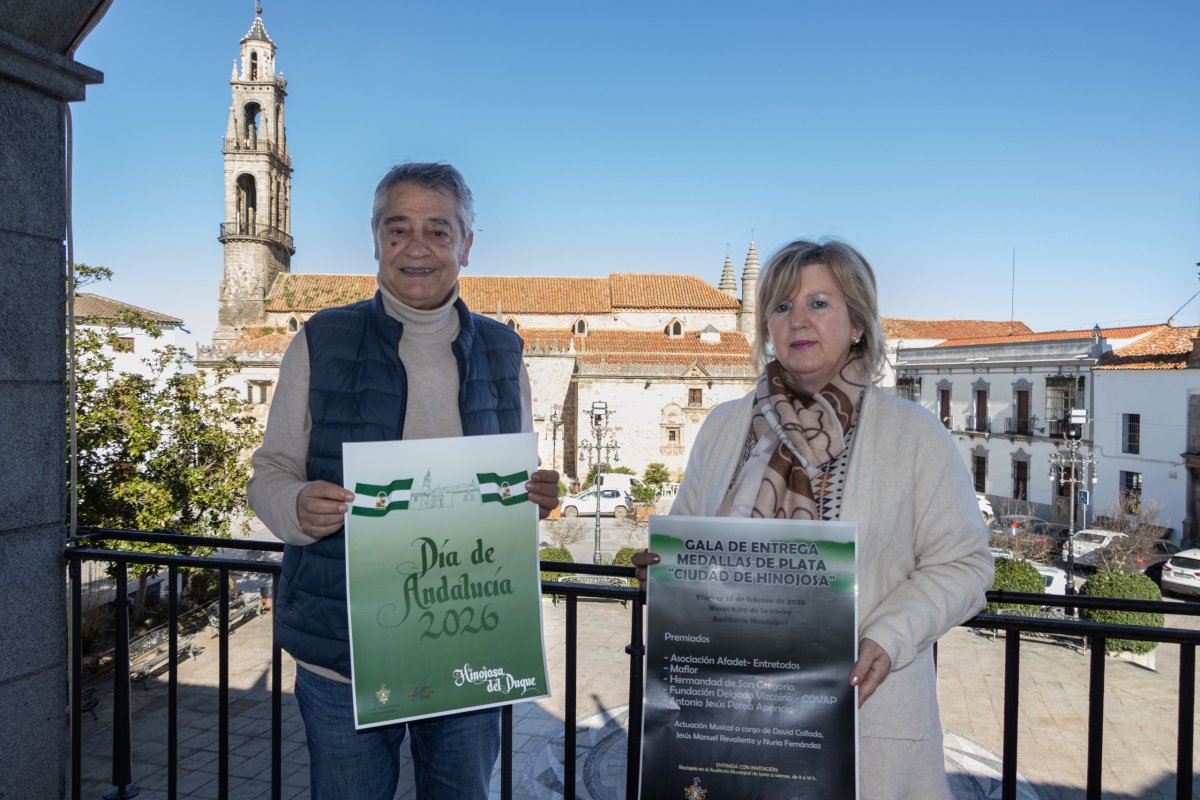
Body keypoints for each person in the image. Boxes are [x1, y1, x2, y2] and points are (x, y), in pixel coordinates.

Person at [248, 162, 560, 800]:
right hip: (345, 659)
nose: (418, 247)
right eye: (399, 229)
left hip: (469, 649)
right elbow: (270, 472)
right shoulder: (321, 340)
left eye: (438, 231)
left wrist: (537, 495)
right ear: (375, 241)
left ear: (466, 245)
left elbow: (516, 484)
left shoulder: (507, 351)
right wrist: (295, 504)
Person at [644, 239, 993, 799]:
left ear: (857, 322)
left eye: (819, 303)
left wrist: (888, 636)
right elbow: (688, 536)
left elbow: (965, 564)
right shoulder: (724, 427)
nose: (797, 320)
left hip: (864, 721)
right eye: (781, 306)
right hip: (730, 724)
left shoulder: (914, 436)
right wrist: (663, 572)